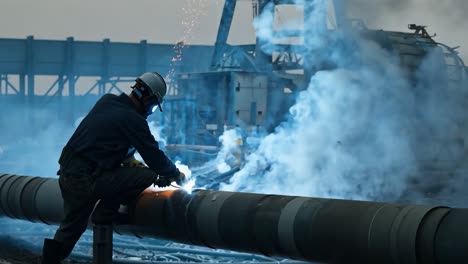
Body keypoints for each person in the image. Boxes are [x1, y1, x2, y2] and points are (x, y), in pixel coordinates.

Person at [41, 72, 186, 264]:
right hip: (86, 180)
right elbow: (154, 157)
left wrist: (129, 159)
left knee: (71, 227)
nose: (150, 111)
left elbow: (104, 138)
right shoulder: (134, 120)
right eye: (152, 105)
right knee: (147, 175)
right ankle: (105, 213)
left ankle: (51, 259)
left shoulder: (107, 101)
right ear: (147, 98)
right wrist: (174, 173)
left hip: (69, 173)